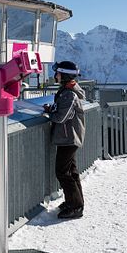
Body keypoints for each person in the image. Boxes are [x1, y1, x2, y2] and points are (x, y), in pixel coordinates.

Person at [43, 60, 86, 220]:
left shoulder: (69, 94)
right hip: (68, 137)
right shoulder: (67, 91)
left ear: (65, 75)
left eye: (58, 73)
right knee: (71, 172)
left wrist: (50, 114)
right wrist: (52, 108)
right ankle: (74, 202)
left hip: (68, 138)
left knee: (62, 172)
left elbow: (61, 117)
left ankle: (75, 207)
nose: (55, 75)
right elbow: (63, 111)